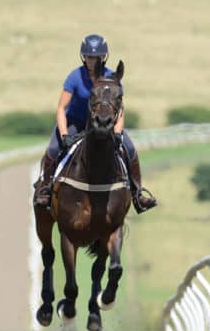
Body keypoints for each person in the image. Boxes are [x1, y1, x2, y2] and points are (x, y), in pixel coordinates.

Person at [34, 33, 157, 214]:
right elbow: (61, 108)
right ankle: (45, 189)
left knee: (129, 149)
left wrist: (117, 133)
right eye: (90, 57)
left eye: (97, 57)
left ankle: (138, 193)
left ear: (103, 57)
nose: (93, 61)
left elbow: (120, 110)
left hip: (105, 124)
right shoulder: (75, 77)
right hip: (75, 122)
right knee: (53, 149)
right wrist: (64, 135)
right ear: (84, 57)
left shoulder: (112, 78)